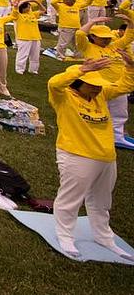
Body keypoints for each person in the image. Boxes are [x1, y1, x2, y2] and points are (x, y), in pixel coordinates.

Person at [47, 55, 134, 259]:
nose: (96, 89)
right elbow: (54, 83)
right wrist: (80, 70)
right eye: (91, 85)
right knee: (71, 199)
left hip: (106, 157)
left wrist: (130, 68)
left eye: (98, 86)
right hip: (76, 154)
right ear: (78, 83)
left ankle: (103, 236)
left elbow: (124, 86)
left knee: (102, 201)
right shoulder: (64, 96)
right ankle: (65, 235)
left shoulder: (101, 96)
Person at [75, 13, 134, 146]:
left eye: (108, 38)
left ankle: (117, 136)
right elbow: (79, 34)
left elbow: (129, 36)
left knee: (120, 112)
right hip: (98, 86)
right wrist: (93, 21)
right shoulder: (87, 47)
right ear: (93, 37)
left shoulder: (114, 46)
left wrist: (130, 22)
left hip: (118, 84)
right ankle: (90, 135)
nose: (106, 40)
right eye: (103, 38)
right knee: (95, 111)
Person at [13, 0, 44, 75]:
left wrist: (37, 2)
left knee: (35, 55)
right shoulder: (18, 16)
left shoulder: (33, 14)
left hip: (36, 37)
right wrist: (24, 2)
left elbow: (43, 10)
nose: (30, 8)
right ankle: (19, 69)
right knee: (23, 54)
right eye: (28, 7)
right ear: (23, 8)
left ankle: (33, 69)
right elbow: (15, 11)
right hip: (24, 38)